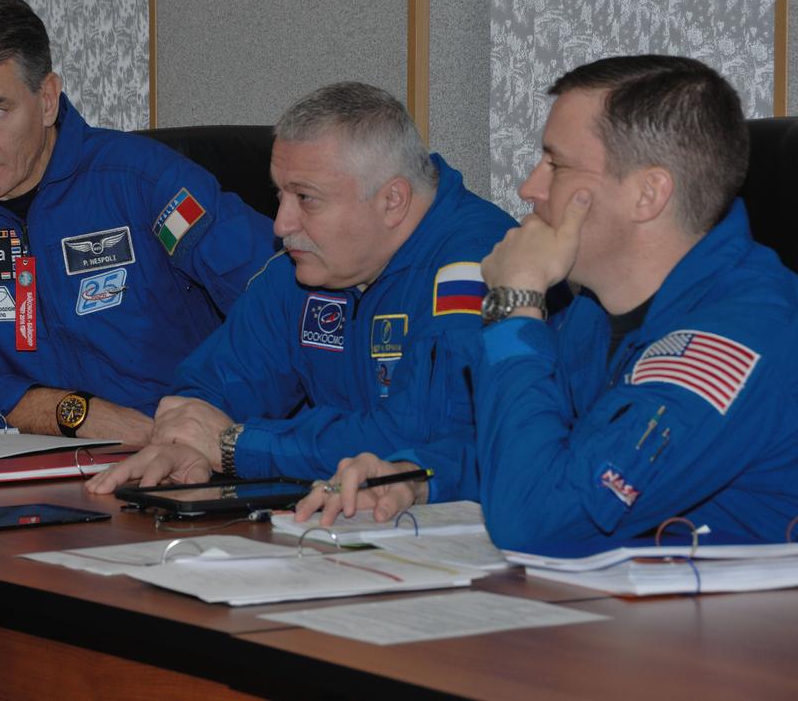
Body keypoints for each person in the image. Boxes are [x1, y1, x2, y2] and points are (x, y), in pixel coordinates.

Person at [303, 55, 798, 547]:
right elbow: (539, 449)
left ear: (648, 194)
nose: (529, 187)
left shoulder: (733, 346)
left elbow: (537, 521)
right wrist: (417, 477)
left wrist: (516, 303)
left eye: (557, 164)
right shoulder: (592, 312)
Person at [87, 83, 515, 502]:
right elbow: (212, 384)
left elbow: (424, 435)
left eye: (306, 198)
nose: (281, 224)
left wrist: (237, 446)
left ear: (392, 200)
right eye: (280, 194)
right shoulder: (306, 268)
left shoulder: (480, 266)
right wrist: (182, 442)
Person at [0, 0, 276, 444]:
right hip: (29, 475)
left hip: (176, 463)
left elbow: (284, 305)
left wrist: (205, 420)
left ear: (47, 98)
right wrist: (66, 412)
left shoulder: (147, 183)